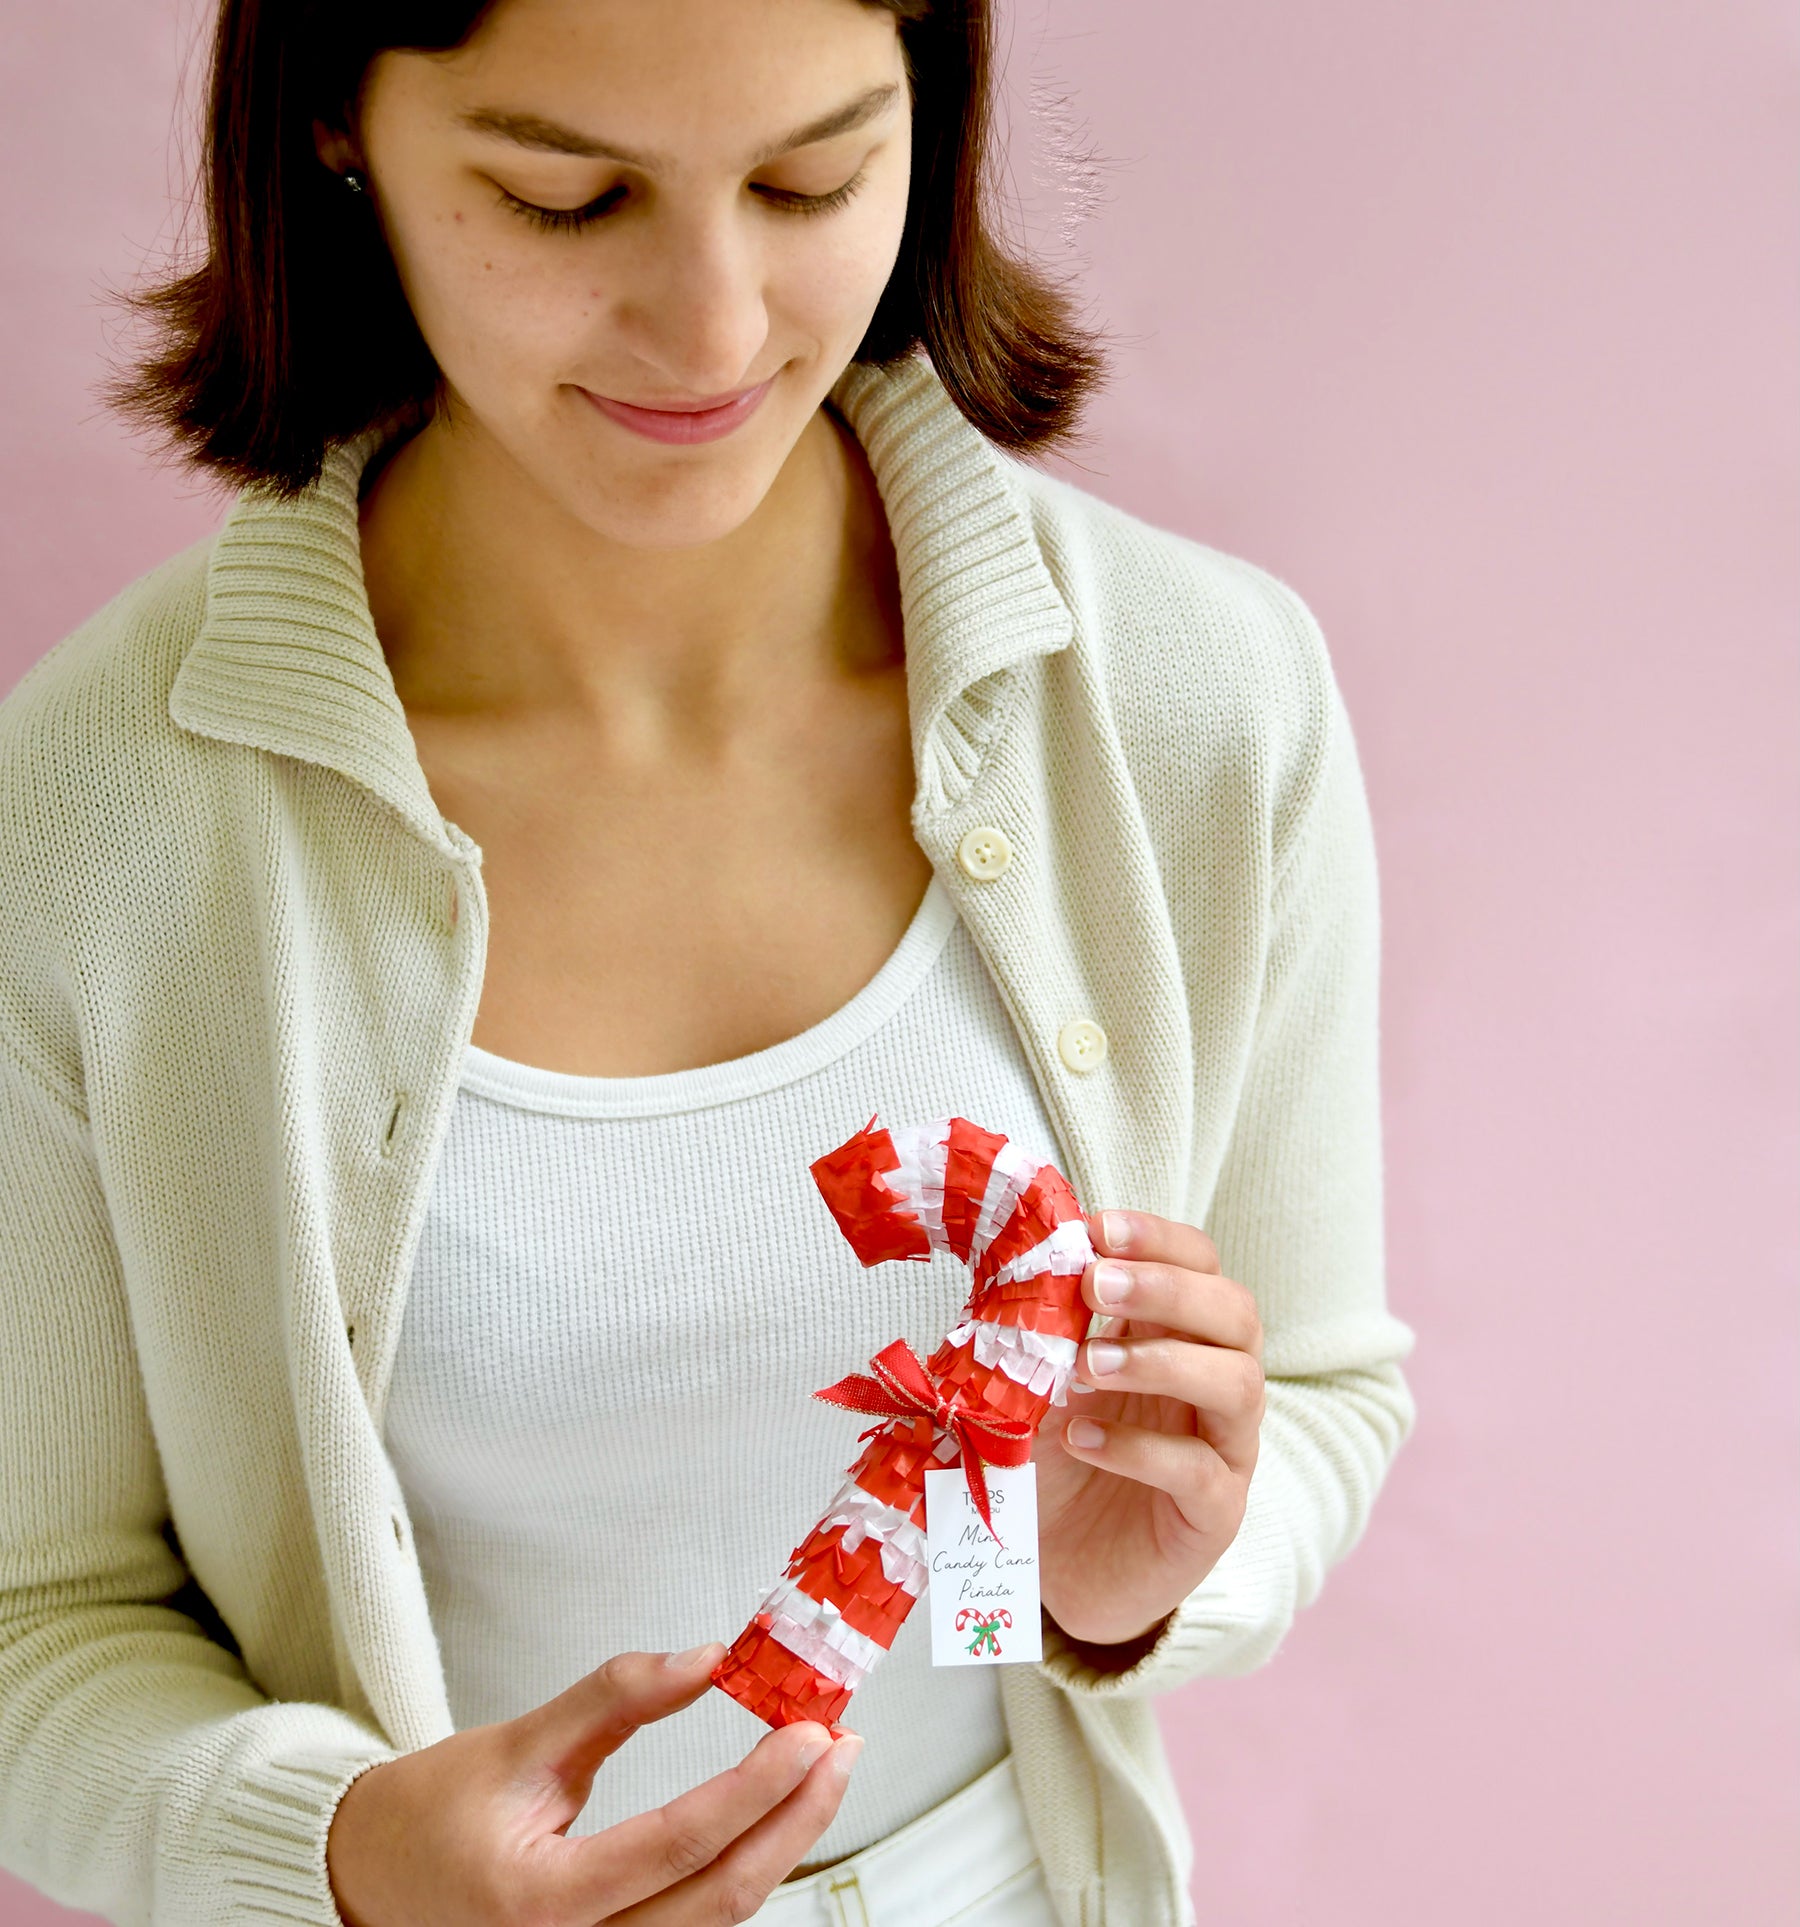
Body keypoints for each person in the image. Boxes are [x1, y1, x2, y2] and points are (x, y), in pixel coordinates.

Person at [0, 1, 1420, 1923]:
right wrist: (340, 1859)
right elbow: (34, 1626)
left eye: (811, 177)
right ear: (340, 121)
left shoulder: (1199, 709)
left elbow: (1322, 1389)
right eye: (567, 198)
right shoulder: (90, 822)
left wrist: (1138, 1571)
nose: (718, 330)